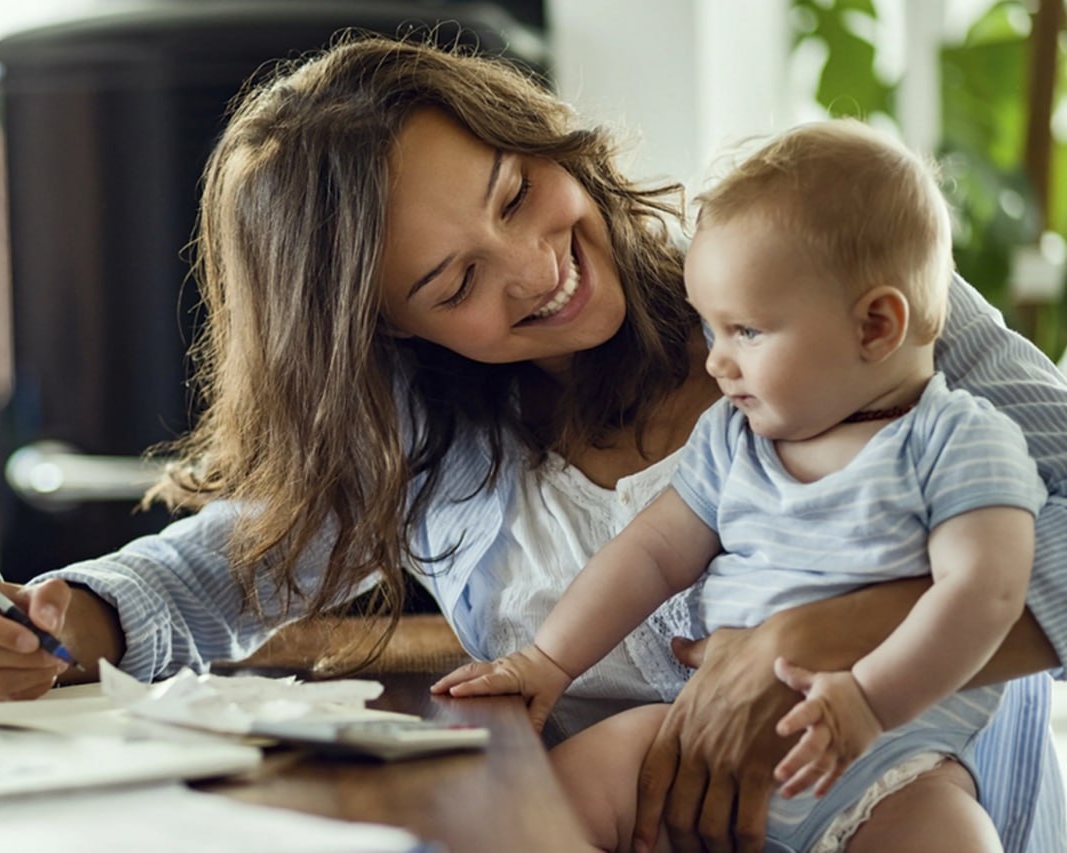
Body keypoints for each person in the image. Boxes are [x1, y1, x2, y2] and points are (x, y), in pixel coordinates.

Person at [0, 35, 1067, 851]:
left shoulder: (827, 293)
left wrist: (815, 635)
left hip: (898, 799)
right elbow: (215, 568)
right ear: (387, 329)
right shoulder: (428, 430)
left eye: (517, 193)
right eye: (453, 281)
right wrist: (65, 618)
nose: (534, 268)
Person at [431, 118, 1047, 852]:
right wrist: (547, 660)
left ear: (876, 327)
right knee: (548, 800)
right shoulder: (735, 438)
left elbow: (986, 594)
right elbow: (650, 553)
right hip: (696, 737)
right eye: (711, 329)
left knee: (954, 836)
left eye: (746, 332)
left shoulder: (959, 443)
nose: (716, 362)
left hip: (891, 765)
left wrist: (866, 699)